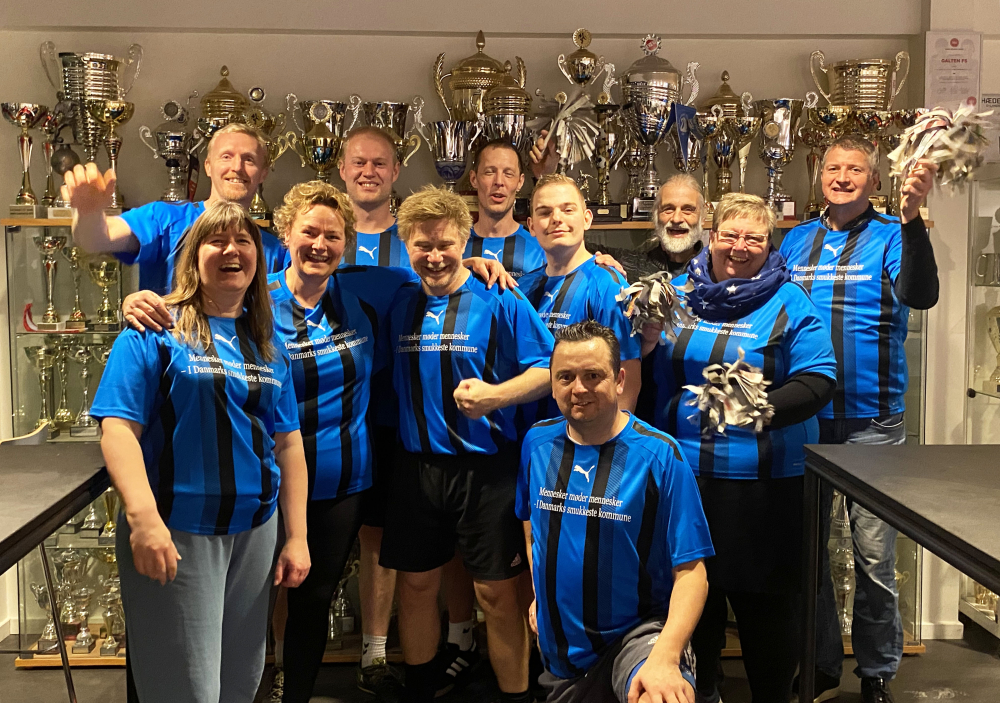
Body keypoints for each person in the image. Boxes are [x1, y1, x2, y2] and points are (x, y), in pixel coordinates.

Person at [89, 201, 310, 703]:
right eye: (217, 240)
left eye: (244, 241)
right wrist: (144, 520)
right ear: (193, 256)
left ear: (258, 259)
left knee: (240, 683)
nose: (232, 250)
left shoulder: (267, 342)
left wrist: (296, 537)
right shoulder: (154, 330)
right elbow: (118, 429)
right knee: (185, 689)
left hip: (256, 531)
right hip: (177, 527)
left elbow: (288, 442)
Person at [640, 193, 838, 703]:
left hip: (768, 489)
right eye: (730, 234)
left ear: (769, 244)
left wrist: (748, 408)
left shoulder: (790, 300)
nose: (739, 246)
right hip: (684, 479)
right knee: (694, 611)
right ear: (711, 236)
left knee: (768, 619)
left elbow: (818, 380)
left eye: (754, 237)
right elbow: (640, 366)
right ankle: (703, 693)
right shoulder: (676, 293)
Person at [379, 185, 555, 703]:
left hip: (488, 470)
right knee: (416, 587)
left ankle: (516, 696)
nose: (434, 256)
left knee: (496, 595)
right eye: (422, 245)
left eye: (446, 245)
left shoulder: (499, 295)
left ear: (464, 242)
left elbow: (549, 369)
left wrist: (497, 396)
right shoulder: (400, 301)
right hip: (416, 468)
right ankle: (421, 690)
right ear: (406, 245)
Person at [779, 135, 938, 703]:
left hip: (873, 423)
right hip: (808, 421)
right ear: (819, 175)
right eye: (833, 167)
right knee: (808, 555)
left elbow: (921, 294)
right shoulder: (796, 240)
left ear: (874, 180)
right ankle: (820, 665)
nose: (842, 177)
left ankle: (876, 673)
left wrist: (913, 218)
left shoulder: (893, 235)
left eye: (854, 169)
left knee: (873, 558)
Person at [517, 320, 714, 703]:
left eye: (593, 376)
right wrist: (541, 594)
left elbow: (693, 573)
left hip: (638, 636)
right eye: (565, 377)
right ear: (552, 383)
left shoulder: (659, 456)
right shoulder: (537, 444)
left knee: (659, 695)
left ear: (619, 379)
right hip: (562, 653)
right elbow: (531, 528)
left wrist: (666, 657)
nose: (578, 388)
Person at [65, 122, 289, 297]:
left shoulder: (274, 250)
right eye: (226, 156)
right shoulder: (164, 219)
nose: (237, 167)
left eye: (249, 160)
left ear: (263, 173)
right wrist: (88, 214)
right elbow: (98, 238)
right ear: (208, 167)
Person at [520, 173, 642, 417]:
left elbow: (627, 373)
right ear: (531, 226)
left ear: (587, 219)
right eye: (545, 212)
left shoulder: (608, 285)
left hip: (586, 433)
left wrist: (613, 436)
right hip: (529, 434)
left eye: (568, 210)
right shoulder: (522, 288)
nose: (557, 218)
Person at [585, 174, 707, 282]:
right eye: (668, 209)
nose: (676, 219)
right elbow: (579, 248)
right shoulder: (629, 264)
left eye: (688, 210)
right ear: (655, 216)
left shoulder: (713, 268)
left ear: (702, 218)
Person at [465, 138, 547, 277]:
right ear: (474, 179)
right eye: (489, 172)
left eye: (508, 174)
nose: (499, 182)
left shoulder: (540, 247)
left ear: (520, 182)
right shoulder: (455, 245)